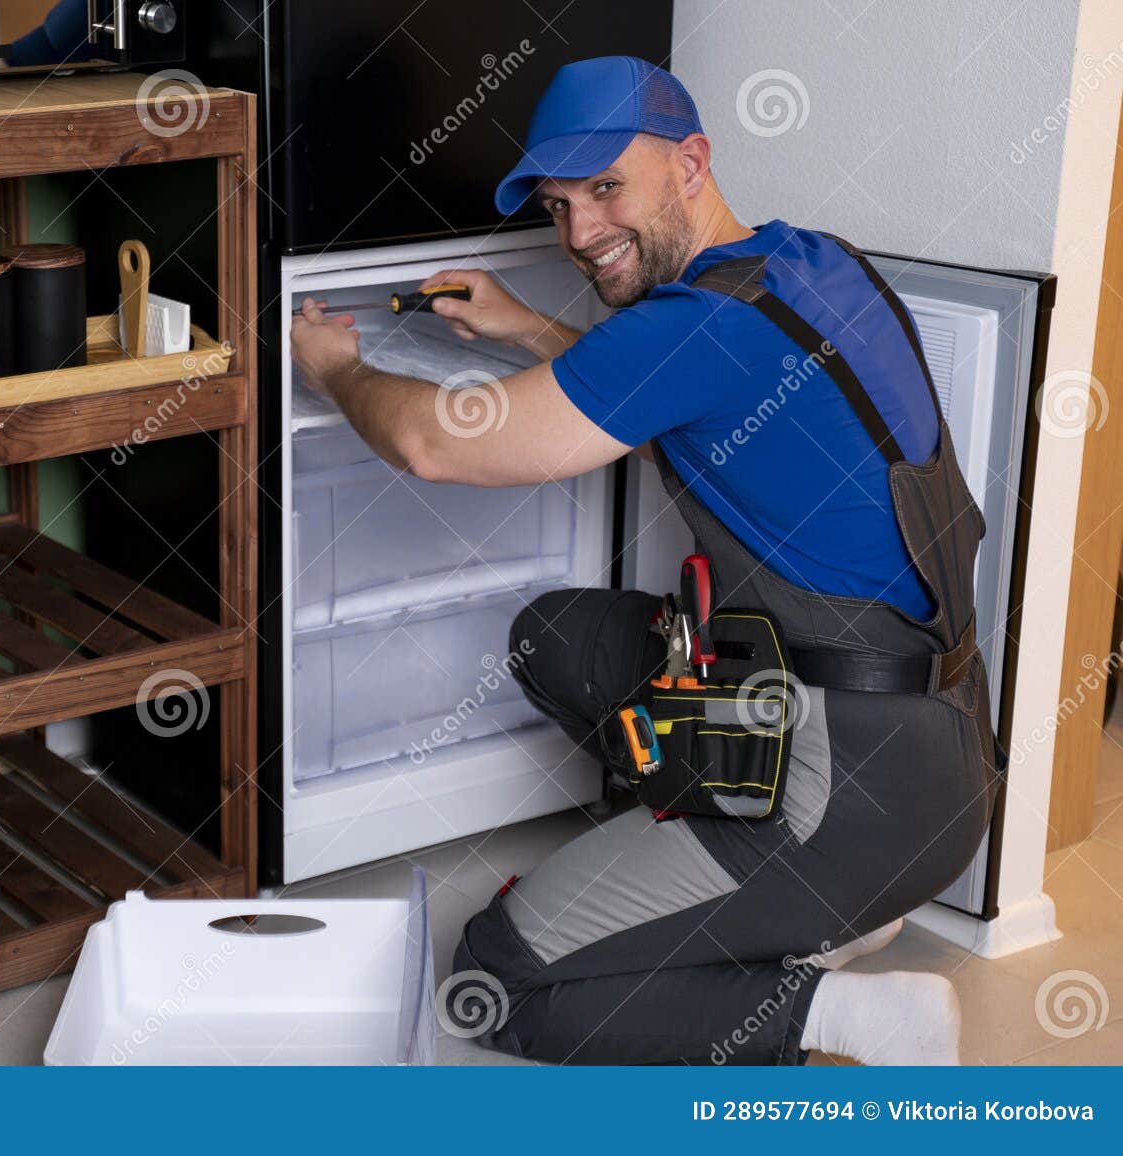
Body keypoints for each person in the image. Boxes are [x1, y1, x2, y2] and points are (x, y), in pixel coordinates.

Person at [287, 56, 1003, 1065]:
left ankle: (841, 1011)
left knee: (492, 981)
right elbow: (682, 399)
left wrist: (340, 368)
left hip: (852, 791)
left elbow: (431, 443)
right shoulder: (815, 263)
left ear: (692, 163)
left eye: (605, 189)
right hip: (939, 750)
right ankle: (789, 905)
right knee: (555, 640)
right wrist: (521, 326)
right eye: (557, 204)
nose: (579, 234)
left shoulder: (696, 329)